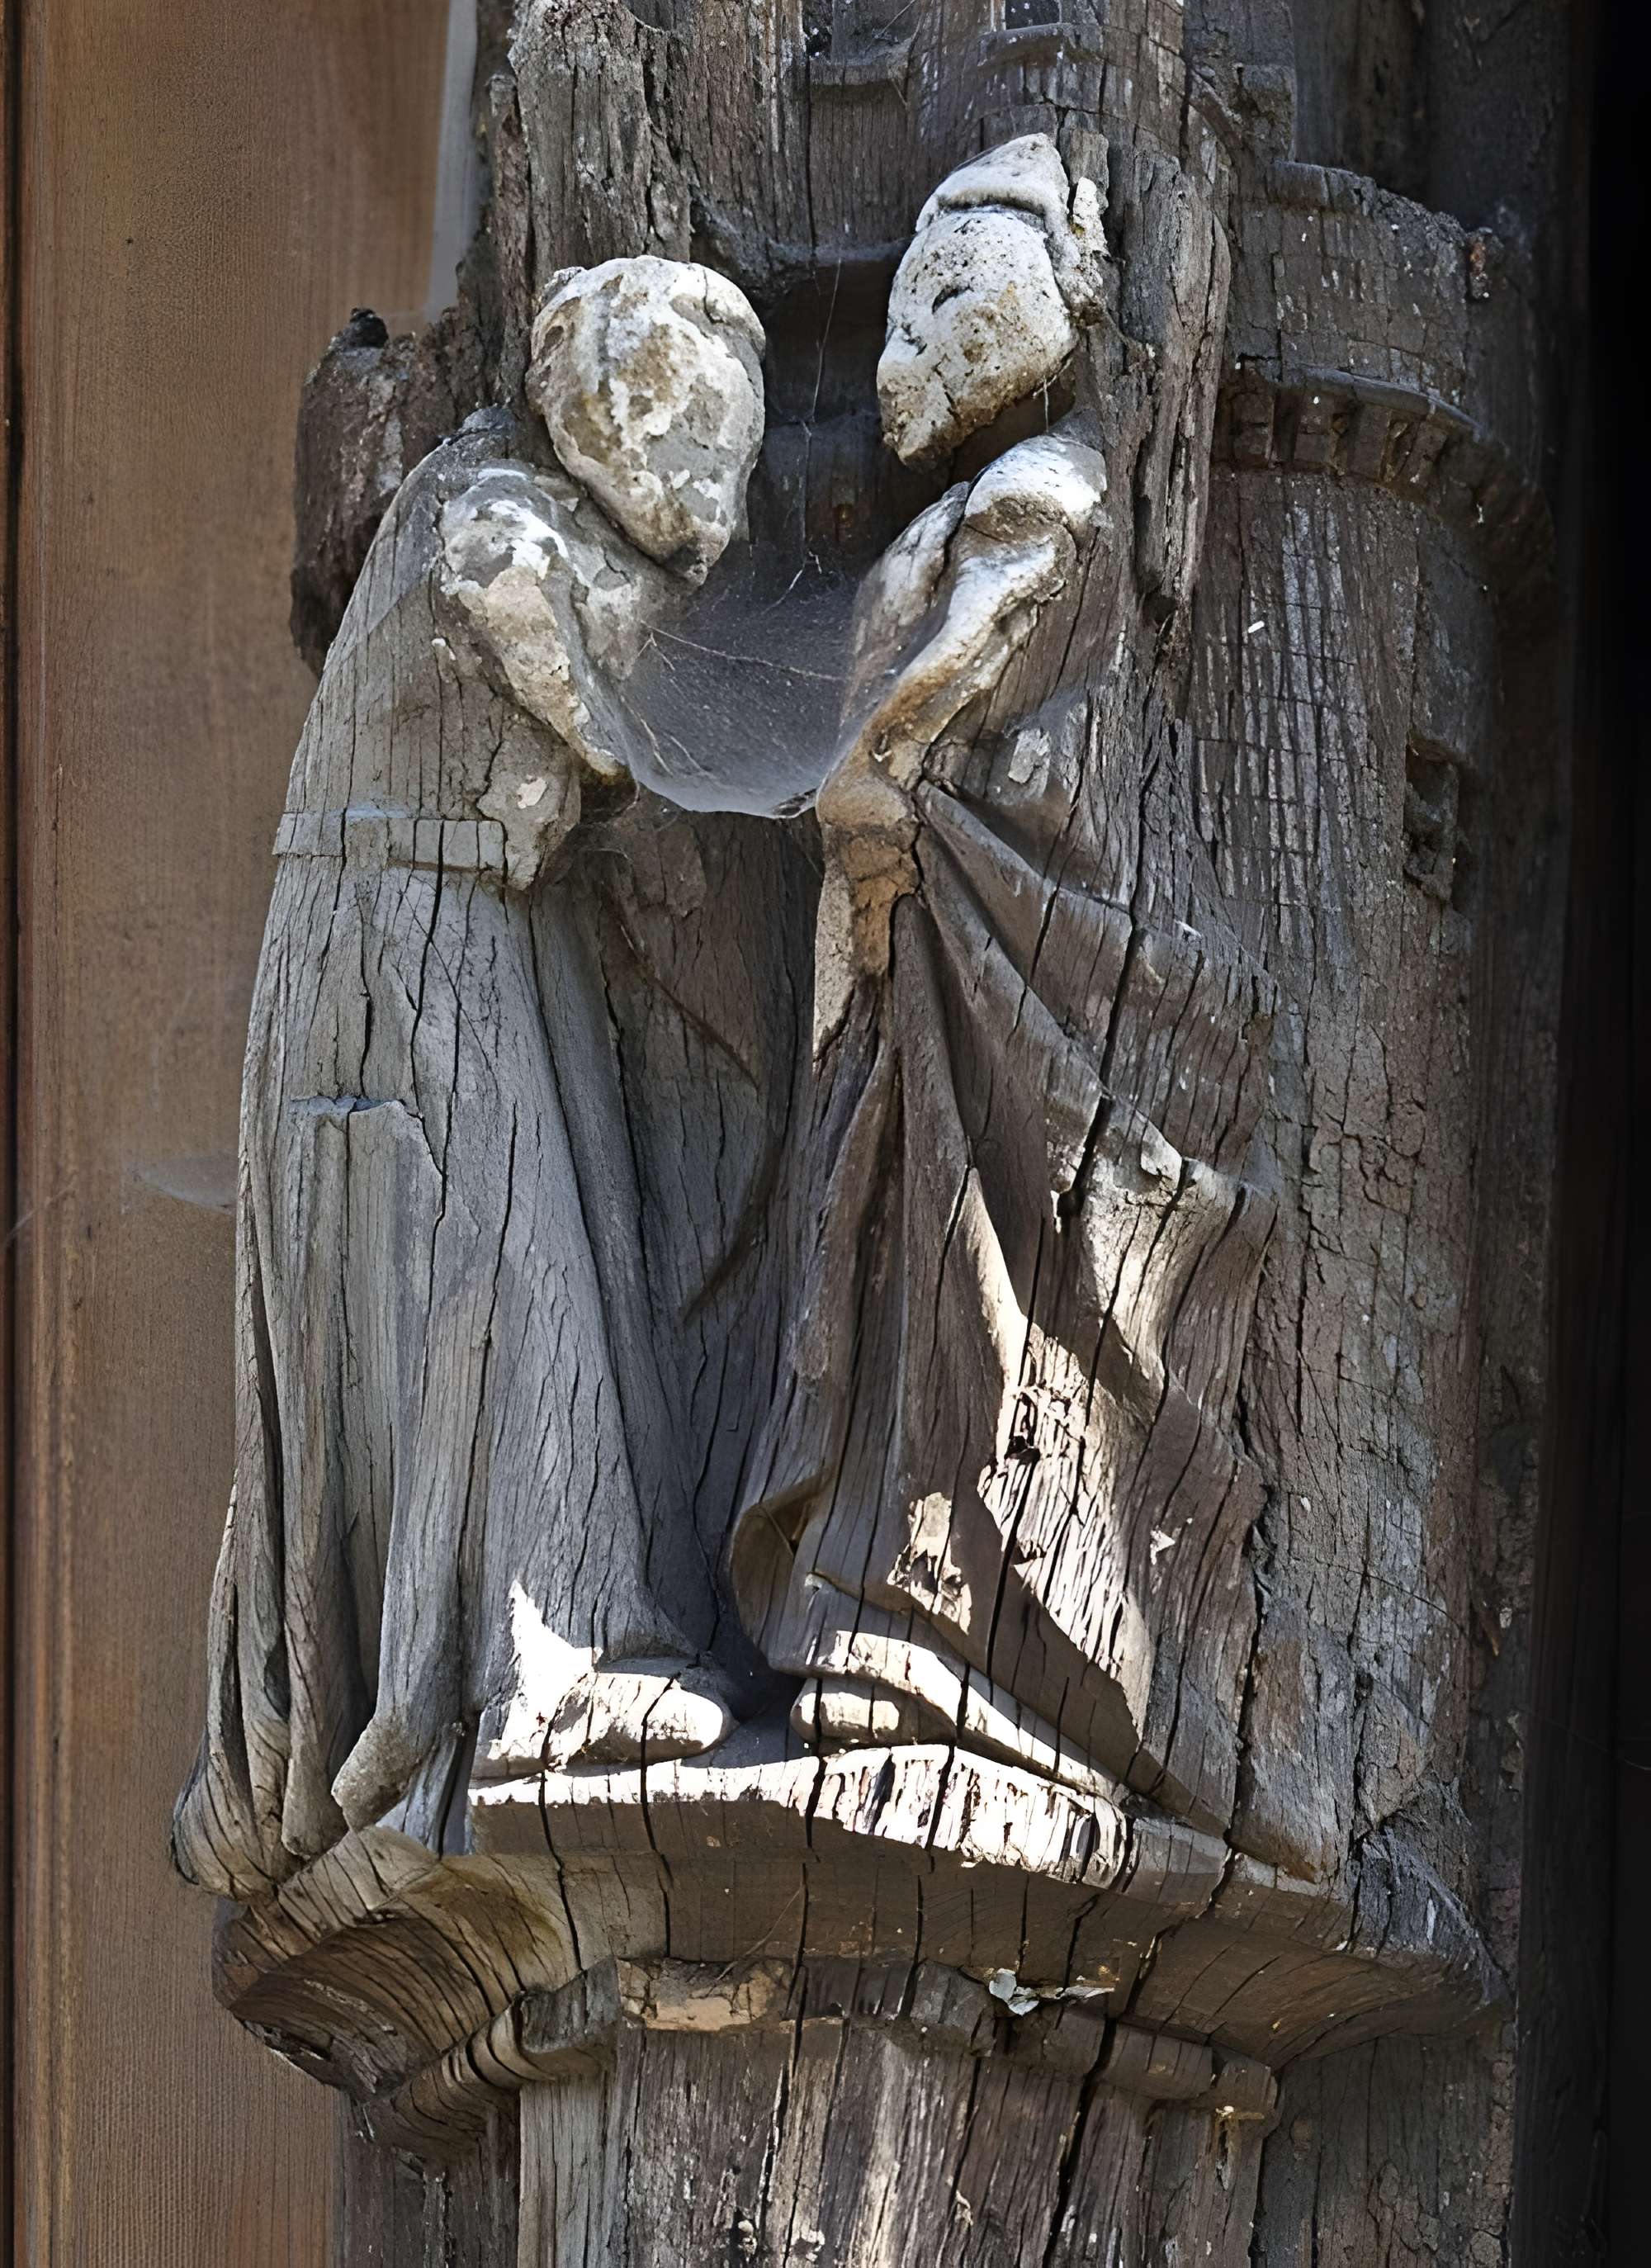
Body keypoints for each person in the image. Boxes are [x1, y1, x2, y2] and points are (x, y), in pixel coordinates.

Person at [174, 257, 768, 1896]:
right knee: (490, 1290)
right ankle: (539, 1676)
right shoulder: (491, 529)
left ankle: (556, 1655)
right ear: (608, 418)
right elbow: (634, 719)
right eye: (690, 460)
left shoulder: (507, 506)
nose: (707, 513)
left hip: (467, 932)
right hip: (398, 940)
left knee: (534, 1279)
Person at [732, 139, 1280, 1830]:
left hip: (1016, 956)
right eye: (910, 314)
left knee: (994, 1275)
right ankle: (884, 1609)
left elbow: (951, 678)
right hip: (923, 945)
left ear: (1065, 303)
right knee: (896, 1266)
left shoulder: (1048, 491)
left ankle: (992, 1635)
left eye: (962, 301)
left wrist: (873, 776)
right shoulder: (986, 489)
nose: (923, 346)